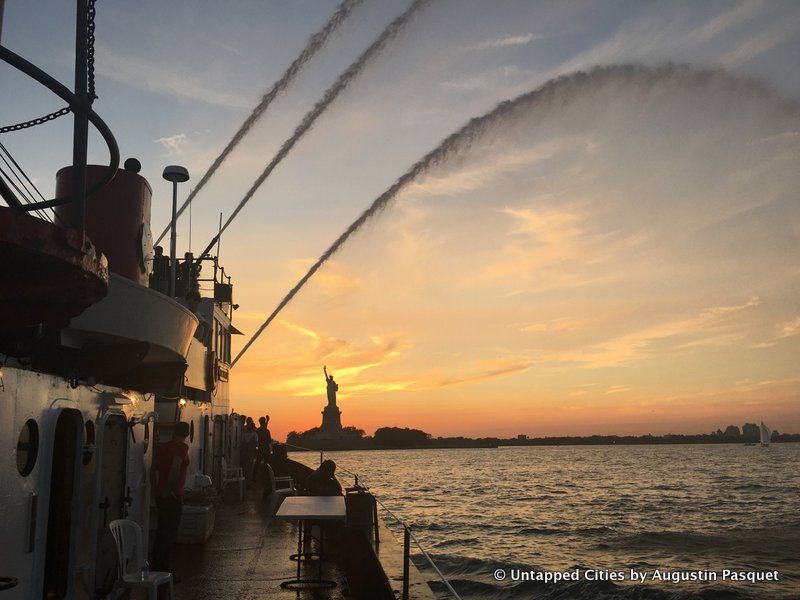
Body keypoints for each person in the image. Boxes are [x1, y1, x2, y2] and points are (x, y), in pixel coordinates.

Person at [151, 421, 191, 573]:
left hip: (160, 494)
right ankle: (165, 569)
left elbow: (152, 469)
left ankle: (157, 565)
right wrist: (170, 490)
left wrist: (154, 490)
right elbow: (175, 468)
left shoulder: (163, 447)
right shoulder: (181, 447)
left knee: (161, 530)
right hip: (172, 495)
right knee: (170, 532)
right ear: (187, 433)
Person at [241, 417, 258, 482]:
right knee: (250, 468)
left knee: (245, 468)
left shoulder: (244, 433)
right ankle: (249, 481)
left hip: (244, 453)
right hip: (250, 453)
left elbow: (242, 443)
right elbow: (256, 444)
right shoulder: (255, 433)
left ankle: (245, 481)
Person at [256, 416, 272, 481]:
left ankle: (257, 477)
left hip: (260, 449)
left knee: (258, 463)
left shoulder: (258, 430)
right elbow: (269, 441)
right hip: (265, 450)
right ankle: (265, 477)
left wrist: (267, 421)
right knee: (266, 464)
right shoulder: (266, 431)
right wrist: (267, 421)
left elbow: (263, 428)